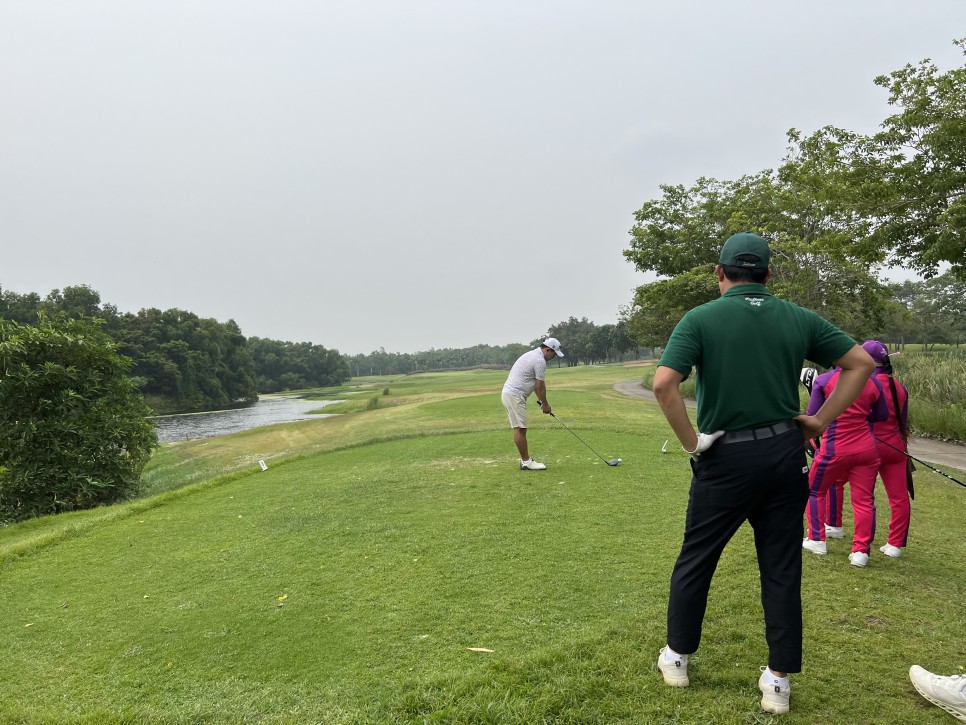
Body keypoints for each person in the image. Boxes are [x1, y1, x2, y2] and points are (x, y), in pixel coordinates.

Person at [652, 232, 875, 715]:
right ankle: (777, 681)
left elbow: (664, 384)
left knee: (698, 558)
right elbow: (861, 363)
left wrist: (692, 443)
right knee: (780, 567)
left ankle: (678, 657)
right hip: (783, 454)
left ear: (720, 272)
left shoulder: (700, 319)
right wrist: (817, 421)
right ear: (768, 275)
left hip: (725, 458)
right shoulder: (799, 317)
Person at [802, 365, 886, 566]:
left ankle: (816, 539)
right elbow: (881, 414)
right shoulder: (873, 380)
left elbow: (813, 416)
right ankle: (861, 552)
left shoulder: (824, 380)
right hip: (866, 447)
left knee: (814, 491)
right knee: (864, 500)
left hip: (835, 448)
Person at [864, 340, 913, 558]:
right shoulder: (899, 386)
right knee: (899, 497)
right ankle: (895, 545)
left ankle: (864, 540)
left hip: (870, 445)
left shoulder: (865, 384)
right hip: (896, 447)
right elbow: (903, 422)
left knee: (865, 497)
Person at [501, 338, 564, 470]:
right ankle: (526, 462)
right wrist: (546, 405)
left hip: (512, 395)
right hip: (514, 395)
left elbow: (535, 384)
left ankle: (525, 461)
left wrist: (541, 401)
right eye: (554, 354)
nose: (554, 357)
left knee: (520, 428)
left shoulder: (533, 355)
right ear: (547, 350)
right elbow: (540, 386)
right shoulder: (539, 360)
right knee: (520, 429)